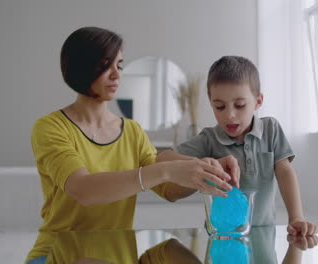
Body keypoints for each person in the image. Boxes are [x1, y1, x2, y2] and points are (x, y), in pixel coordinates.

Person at [25, 27, 239, 264]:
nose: (116, 75)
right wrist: (166, 170)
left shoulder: (132, 131)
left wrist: (205, 170)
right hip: (56, 254)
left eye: (119, 65)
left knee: (172, 250)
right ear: (80, 67)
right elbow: (83, 189)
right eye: (104, 65)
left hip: (116, 254)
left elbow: (168, 188)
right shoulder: (50, 127)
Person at [158, 56, 318, 237]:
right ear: (211, 104)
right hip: (222, 235)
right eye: (219, 107)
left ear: (258, 102)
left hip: (264, 233)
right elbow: (163, 158)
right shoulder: (209, 138)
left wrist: (296, 217)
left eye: (240, 105)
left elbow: (285, 172)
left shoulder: (270, 129)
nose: (230, 115)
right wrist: (204, 165)